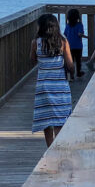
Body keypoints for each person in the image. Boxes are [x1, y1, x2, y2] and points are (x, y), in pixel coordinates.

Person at [30, 13, 74, 147]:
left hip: (43, 85)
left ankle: (50, 147)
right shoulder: (63, 42)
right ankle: (58, 148)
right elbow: (70, 64)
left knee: (46, 118)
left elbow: (32, 60)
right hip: (60, 85)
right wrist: (71, 72)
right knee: (60, 119)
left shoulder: (36, 43)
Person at [63, 8, 87, 80]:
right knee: (78, 60)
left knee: (70, 61)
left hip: (69, 46)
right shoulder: (80, 25)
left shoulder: (67, 25)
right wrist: (86, 37)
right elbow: (80, 34)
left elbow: (65, 35)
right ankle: (78, 73)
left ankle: (70, 75)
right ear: (77, 17)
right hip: (78, 46)